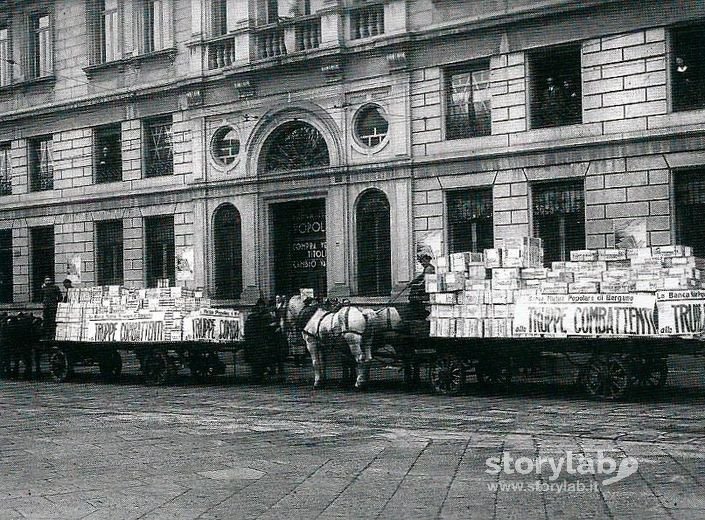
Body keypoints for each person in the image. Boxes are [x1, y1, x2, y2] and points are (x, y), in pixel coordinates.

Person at [408, 253, 435, 320]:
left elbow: (425, 281)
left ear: (427, 260)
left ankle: (422, 314)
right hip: (424, 288)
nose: (422, 263)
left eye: (423, 261)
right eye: (421, 262)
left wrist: (415, 285)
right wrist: (412, 282)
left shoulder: (429, 268)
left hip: (428, 289)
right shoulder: (426, 268)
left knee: (414, 297)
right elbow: (420, 277)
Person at [41, 277, 62, 341]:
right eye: (46, 280)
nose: (47, 282)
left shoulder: (54, 287)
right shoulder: (44, 288)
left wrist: (56, 302)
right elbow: (41, 296)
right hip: (47, 307)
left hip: (52, 307)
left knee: (52, 321)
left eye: (48, 280)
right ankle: (48, 335)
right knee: (46, 321)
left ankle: (52, 335)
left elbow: (60, 296)